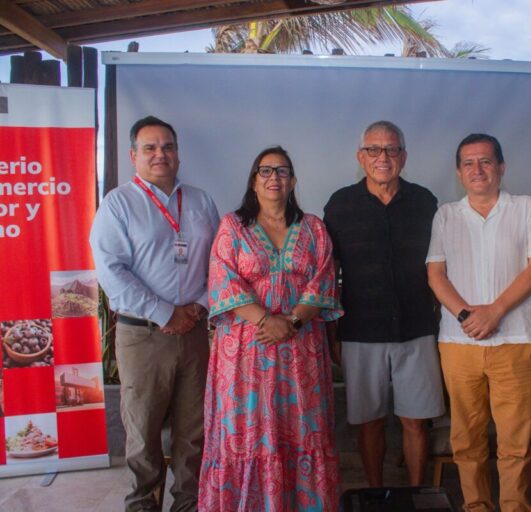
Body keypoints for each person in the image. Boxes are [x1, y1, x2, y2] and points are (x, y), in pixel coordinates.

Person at [199, 146, 342, 511]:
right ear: (253, 180)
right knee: (246, 438)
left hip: (300, 349)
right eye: (265, 170)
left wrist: (292, 321)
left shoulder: (313, 227)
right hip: (246, 353)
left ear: (293, 180)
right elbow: (223, 281)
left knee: (302, 431)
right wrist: (267, 320)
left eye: (282, 171)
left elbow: (323, 282)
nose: (274, 177)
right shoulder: (233, 226)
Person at [90, 116, 219, 511]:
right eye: (150, 147)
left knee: (193, 433)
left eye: (167, 147)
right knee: (143, 435)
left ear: (178, 155)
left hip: (194, 332)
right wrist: (165, 312)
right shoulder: (118, 203)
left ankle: (189, 504)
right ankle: (142, 505)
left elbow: (220, 262)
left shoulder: (199, 200)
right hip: (143, 335)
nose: (160, 154)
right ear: (134, 156)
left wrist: (198, 306)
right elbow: (112, 270)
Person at [426, 133, 531, 512]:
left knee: (515, 444)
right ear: (459, 172)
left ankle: (515, 507)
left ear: (501, 168)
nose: (477, 169)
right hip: (458, 343)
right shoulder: (446, 215)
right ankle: (476, 507)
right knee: (466, 441)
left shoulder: (526, 207)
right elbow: (436, 275)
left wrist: (495, 311)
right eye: (469, 163)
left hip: (514, 340)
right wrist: (468, 316)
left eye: (485, 161)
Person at [323, 120, 445, 487]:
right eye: (374, 150)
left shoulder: (425, 202)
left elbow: (439, 267)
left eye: (391, 149)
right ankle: (376, 493)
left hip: (417, 328)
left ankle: (417, 492)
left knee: (416, 420)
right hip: (361, 330)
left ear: (403, 157)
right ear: (361, 157)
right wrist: (332, 334)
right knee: (368, 420)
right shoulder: (340, 204)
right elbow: (330, 275)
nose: (383, 157)